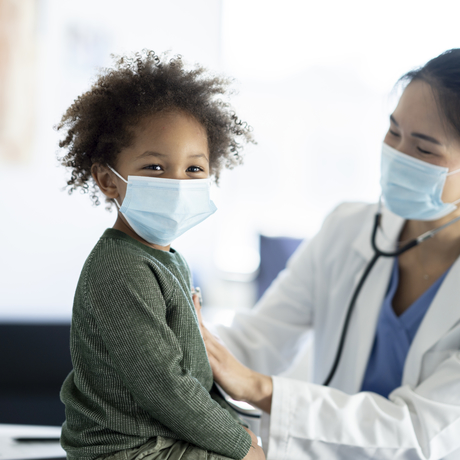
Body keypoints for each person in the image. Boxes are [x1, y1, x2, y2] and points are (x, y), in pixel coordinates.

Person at [195, 49, 460, 460]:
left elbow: (420, 431)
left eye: (425, 150)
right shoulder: (347, 228)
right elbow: (258, 338)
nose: (397, 155)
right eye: (393, 133)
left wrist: (261, 388)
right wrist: (182, 348)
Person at [57, 51, 265, 460]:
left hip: (164, 436)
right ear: (107, 180)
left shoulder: (168, 260)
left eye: (193, 170)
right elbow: (164, 384)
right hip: (128, 450)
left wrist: (235, 428)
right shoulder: (119, 268)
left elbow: (190, 371)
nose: (177, 182)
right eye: (155, 167)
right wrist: (241, 445)